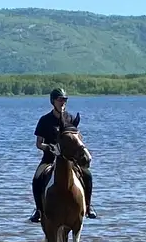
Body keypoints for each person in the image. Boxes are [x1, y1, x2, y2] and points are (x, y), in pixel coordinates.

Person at [29, 87, 96, 222]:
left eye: (65, 100)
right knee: (36, 179)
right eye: (60, 100)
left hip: (69, 158)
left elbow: (77, 137)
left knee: (87, 175)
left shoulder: (70, 118)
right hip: (50, 158)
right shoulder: (45, 120)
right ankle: (39, 210)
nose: (63, 102)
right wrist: (49, 148)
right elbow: (39, 143)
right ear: (53, 101)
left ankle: (88, 207)